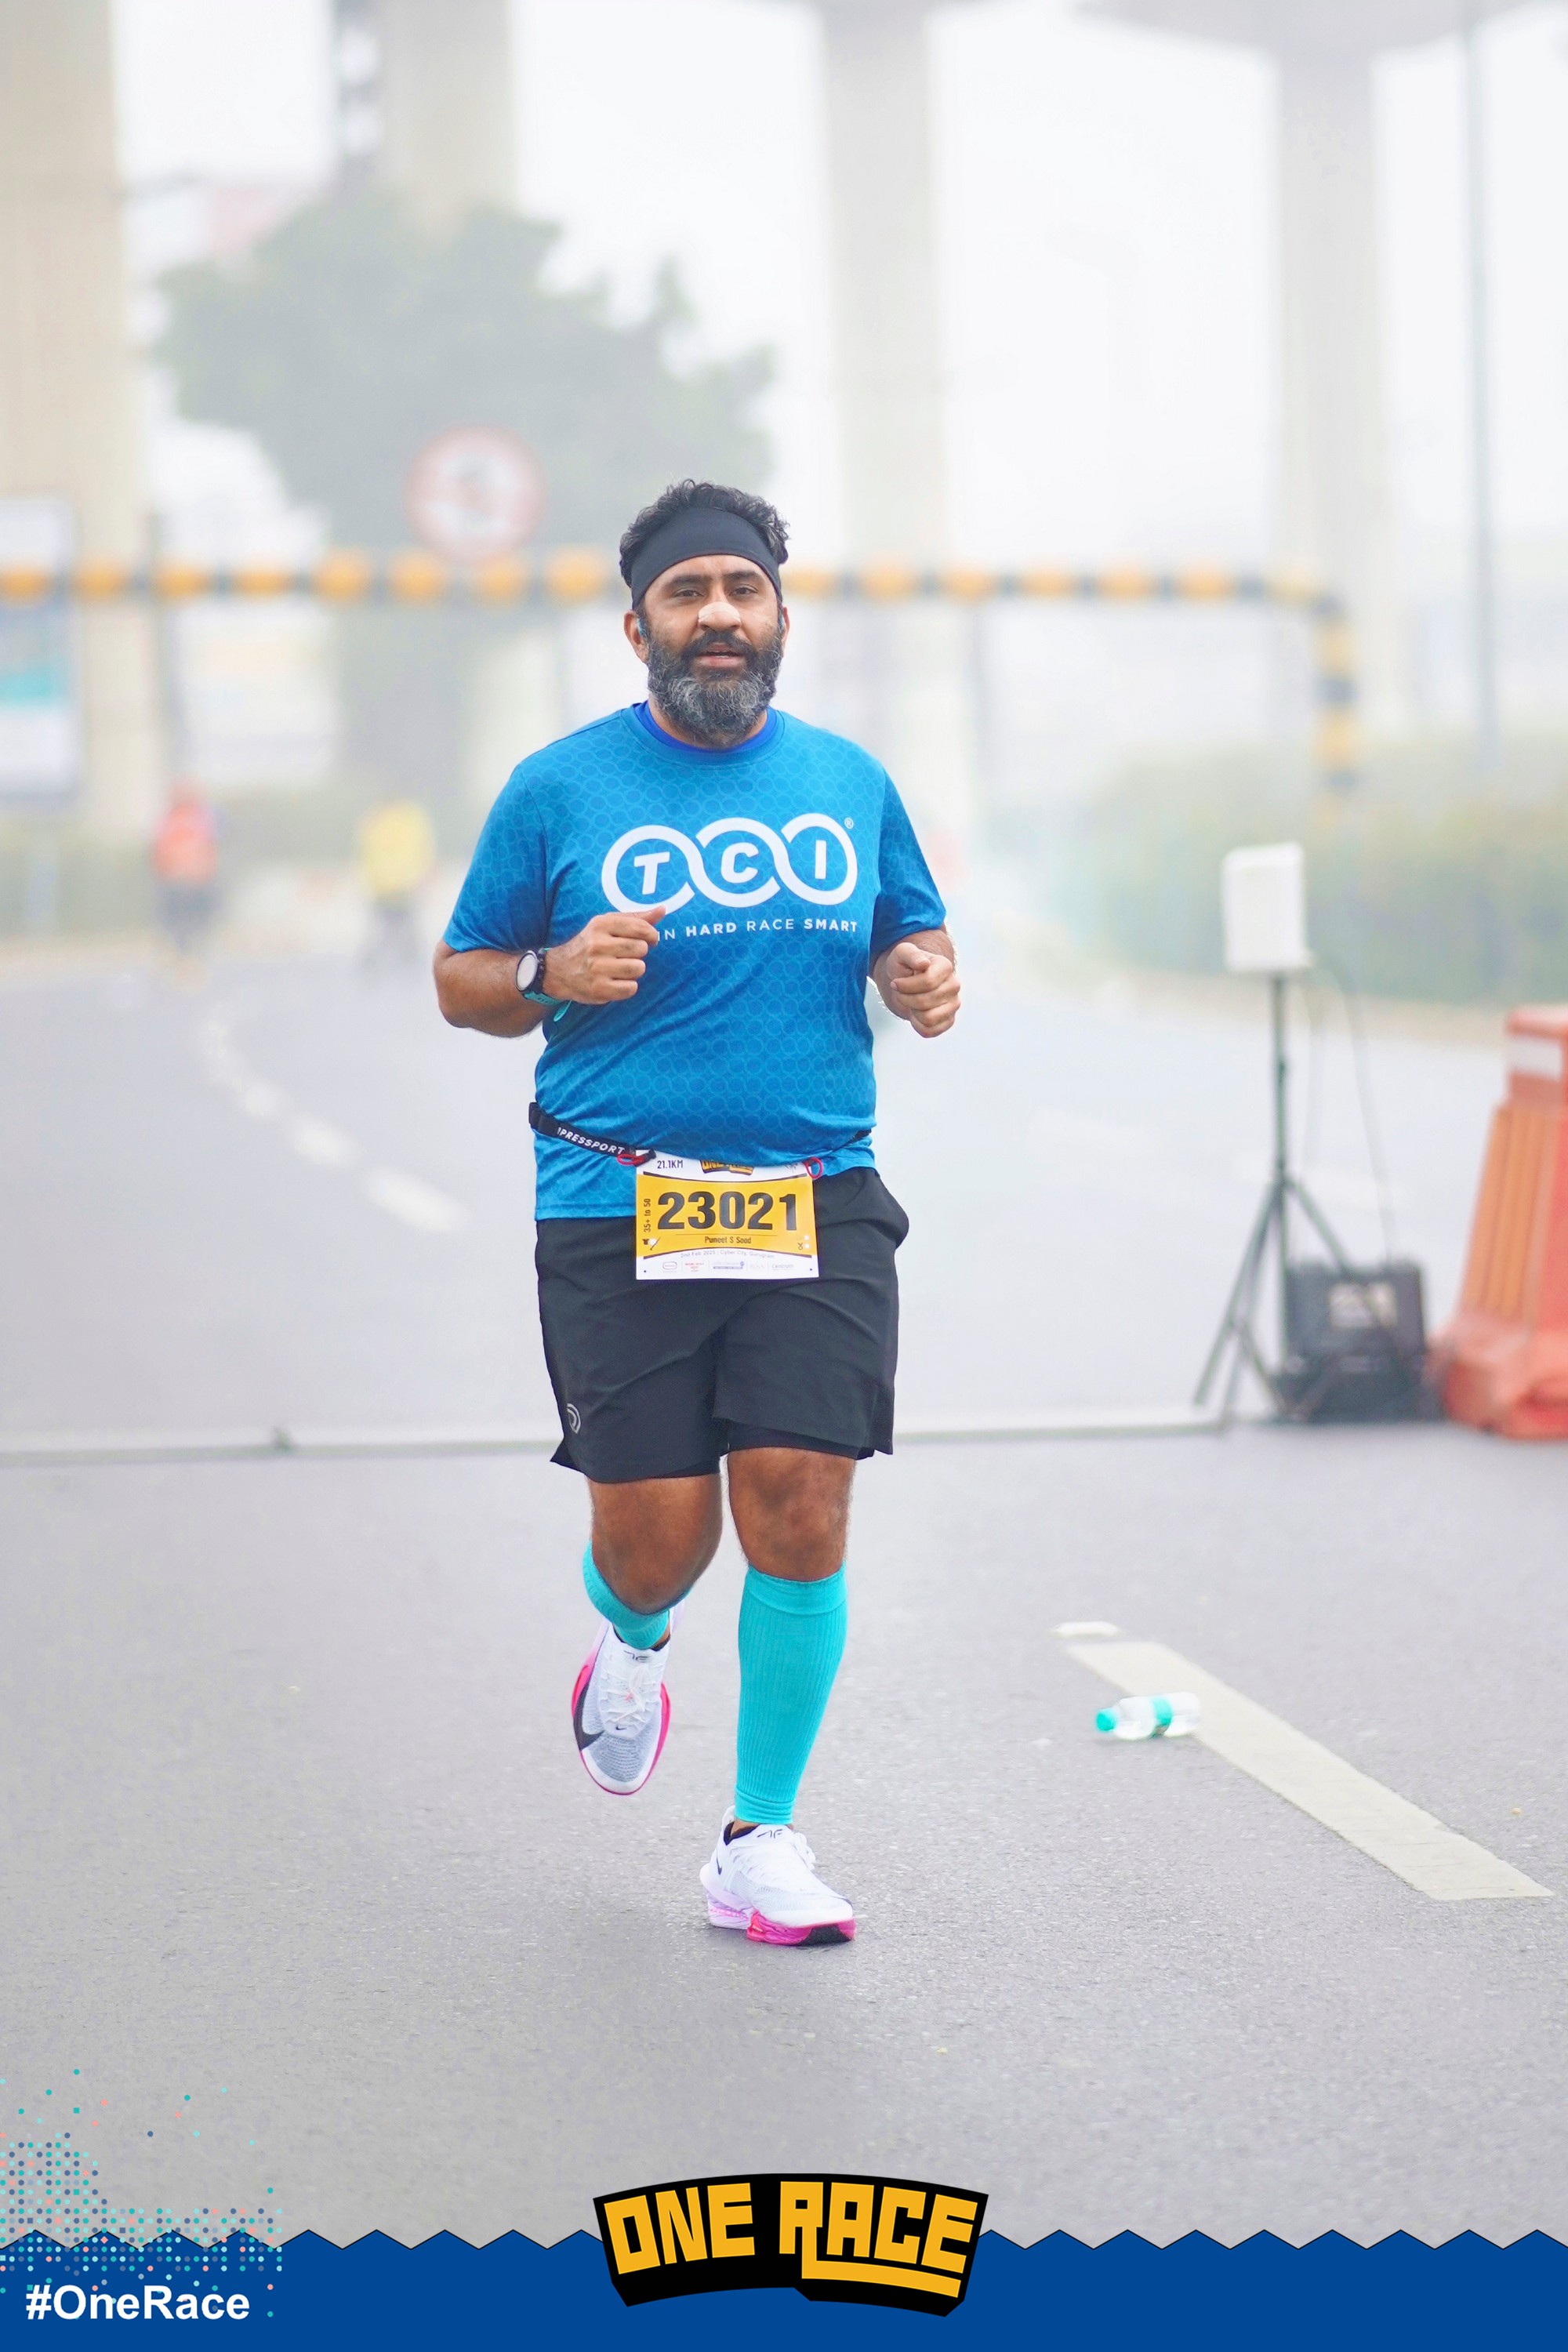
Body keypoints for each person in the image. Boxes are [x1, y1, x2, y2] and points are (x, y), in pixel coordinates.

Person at [434, 481, 960, 1947]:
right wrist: (548, 973)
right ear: (639, 629)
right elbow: (462, 979)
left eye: (742, 589)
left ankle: (759, 1838)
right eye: (687, 593)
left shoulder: (849, 780)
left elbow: (912, 932)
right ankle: (632, 1633)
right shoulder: (559, 789)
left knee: (799, 1496)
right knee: (660, 1541)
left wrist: (923, 974)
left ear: (779, 619)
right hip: (617, 1199)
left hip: (816, 1196)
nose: (717, 614)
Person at [358, 797, 436, 968]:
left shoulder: (378, 819)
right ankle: (405, 963)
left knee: (391, 931)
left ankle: (381, 964)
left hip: (390, 886)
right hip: (396, 886)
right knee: (395, 931)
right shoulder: (410, 818)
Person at [151, 785, 220, 961]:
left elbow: (208, 849)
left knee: (193, 921)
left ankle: (191, 953)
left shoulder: (197, 818)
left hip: (192, 880)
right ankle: (182, 953)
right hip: (178, 880)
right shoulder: (171, 820)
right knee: (180, 922)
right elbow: (160, 850)